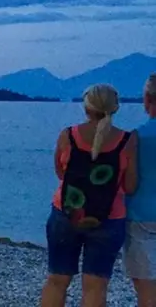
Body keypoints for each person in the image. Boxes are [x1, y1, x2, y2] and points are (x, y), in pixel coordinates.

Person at [40, 83, 138, 307]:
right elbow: (130, 186)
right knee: (96, 286)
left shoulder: (68, 135)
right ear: (115, 108)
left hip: (66, 213)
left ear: (86, 108)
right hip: (109, 219)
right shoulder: (128, 141)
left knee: (57, 281)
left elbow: (60, 172)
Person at [124, 73, 156, 306]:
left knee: (146, 292)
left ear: (147, 99)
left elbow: (131, 184)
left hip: (142, 218)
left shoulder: (136, 137)